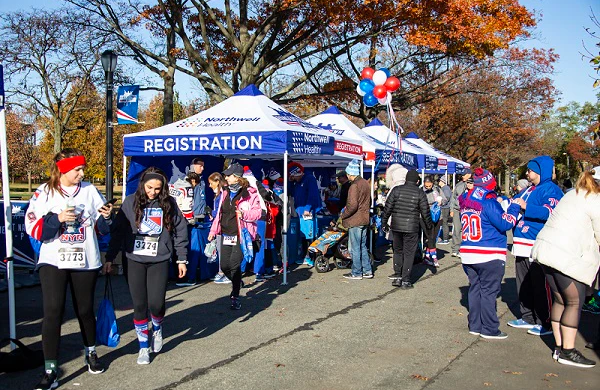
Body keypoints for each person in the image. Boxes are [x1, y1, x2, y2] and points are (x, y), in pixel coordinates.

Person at [25, 148, 113, 389]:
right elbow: (33, 227)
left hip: (85, 259)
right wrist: (57, 219)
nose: (82, 173)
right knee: (53, 310)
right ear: (63, 169)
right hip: (54, 259)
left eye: (82, 169)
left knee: (84, 309)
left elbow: (103, 229)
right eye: (77, 169)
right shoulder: (44, 192)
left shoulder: (89, 190)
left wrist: (106, 217)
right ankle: (50, 369)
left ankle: (91, 352)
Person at [105, 167, 188, 365]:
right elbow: (117, 231)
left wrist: (181, 259)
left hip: (159, 258)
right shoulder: (130, 201)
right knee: (139, 304)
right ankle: (143, 346)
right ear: (143, 184)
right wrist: (109, 257)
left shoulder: (169, 203)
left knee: (156, 304)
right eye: (149, 187)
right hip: (134, 259)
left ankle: (157, 328)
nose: (153, 192)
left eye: (157, 189)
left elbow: (180, 229)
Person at [531, 167, 600, 368]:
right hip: (566, 255)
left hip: (546, 251)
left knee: (560, 300)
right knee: (574, 302)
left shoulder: (573, 195)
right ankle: (568, 351)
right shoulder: (595, 200)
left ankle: (559, 346)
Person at [459, 168, 521, 340]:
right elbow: (504, 223)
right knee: (488, 292)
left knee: (474, 289)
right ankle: (489, 328)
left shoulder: (465, 200)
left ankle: (475, 325)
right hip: (489, 253)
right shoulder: (488, 201)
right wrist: (514, 207)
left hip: (468, 252)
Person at [509, 156, 564, 336]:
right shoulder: (528, 189)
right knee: (523, 283)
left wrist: (526, 207)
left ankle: (545, 321)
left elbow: (551, 212)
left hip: (537, 243)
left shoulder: (551, 189)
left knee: (541, 285)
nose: (527, 173)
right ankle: (527, 317)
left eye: (531, 170)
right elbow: (513, 203)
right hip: (521, 243)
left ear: (541, 171)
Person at [208, 162, 262, 310]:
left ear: (237, 177)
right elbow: (219, 213)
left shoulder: (250, 193)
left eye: (229, 175)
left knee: (234, 264)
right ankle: (237, 282)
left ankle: (235, 296)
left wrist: (244, 214)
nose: (226, 177)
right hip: (226, 234)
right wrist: (213, 231)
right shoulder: (224, 192)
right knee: (224, 266)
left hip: (241, 235)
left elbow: (258, 213)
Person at [381, 170, 433, 289]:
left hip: (396, 226)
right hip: (412, 227)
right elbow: (425, 212)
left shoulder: (396, 190)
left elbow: (387, 208)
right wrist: (429, 227)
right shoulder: (420, 193)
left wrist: (384, 222)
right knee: (409, 253)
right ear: (417, 181)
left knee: (398, 251)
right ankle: (405, 280)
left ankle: (398, 276)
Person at [339, 159, 373, 280]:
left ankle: (357, 272)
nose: (347, 176)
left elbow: (352, 205)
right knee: (363, 246)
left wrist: (343, 215)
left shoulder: (354, 186)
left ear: (350, 173)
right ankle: (367, 270)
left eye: (347, 174)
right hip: (364, 218)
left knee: (355, 247)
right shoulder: (365, 183)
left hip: (355, 219)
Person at [289, 161, 322, 267]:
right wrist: (290, 182)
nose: (294, 179)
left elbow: (312, 195)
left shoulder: (309, 179)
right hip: (300, 212)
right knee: (303, 235)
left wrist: (308, 209)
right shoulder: (297, 182)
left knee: (309, 235)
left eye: (294, 177)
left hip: (307, 212)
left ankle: (311, 257)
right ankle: (305, 256)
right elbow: (291, 192)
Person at [207, 172, 231, 284]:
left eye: (211, 183)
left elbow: (220, 212)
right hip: (220, 226)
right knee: (221, 249)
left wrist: (212, 212)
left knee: (224, 250)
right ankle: (222, 272)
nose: (210, 186)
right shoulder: (219, 194)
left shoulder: (223, 194)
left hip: (223, 226)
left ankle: (225, 273)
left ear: (217, 182)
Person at [422, 176, 445, 267]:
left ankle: (427, 257)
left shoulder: (437, 189)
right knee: (430, 236)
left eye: (429, 186)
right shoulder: (421, 190)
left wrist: (440, 201)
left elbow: (445, 199)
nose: (428, 187)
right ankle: (434, 257)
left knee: (433, 237)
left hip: (438, 216)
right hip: (426, 216)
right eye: (426, 186)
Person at [450, 169, 472, 258]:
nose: (462, 176)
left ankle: (466, 249)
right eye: (462, 175)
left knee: (467, 230)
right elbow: (453, 198)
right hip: (457, 210)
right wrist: (451, 209)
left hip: (468, 210)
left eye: (464, 174)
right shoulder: (459, 185)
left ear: (469, 174)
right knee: (456, 230)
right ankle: (455, 249)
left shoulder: (474, 184)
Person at [438, 177, 452, 244]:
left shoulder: (445, 188)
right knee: (443, 223)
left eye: (439, 181)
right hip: (444, 207)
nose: (438, 182)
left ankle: (445, 239)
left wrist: (441, 202)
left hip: (445, 207)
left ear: (442, 181)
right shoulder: (443, 188)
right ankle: (444, 238)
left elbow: (447, 197)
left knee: (444, 223)